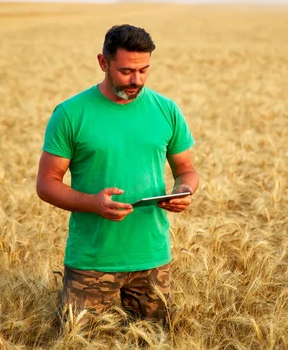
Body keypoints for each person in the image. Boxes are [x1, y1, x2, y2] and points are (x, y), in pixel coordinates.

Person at [36, 24, 199, 324]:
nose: (136, 80)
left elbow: (186, 170)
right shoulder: (71, 113)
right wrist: (93, 203)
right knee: (78, 343)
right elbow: (46, 184)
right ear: (103, 63)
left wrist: (183, 191)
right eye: (126, 71)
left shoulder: (167, 110)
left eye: (144, 70)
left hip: (152, 257)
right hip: (91, 261)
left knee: (155, 342)